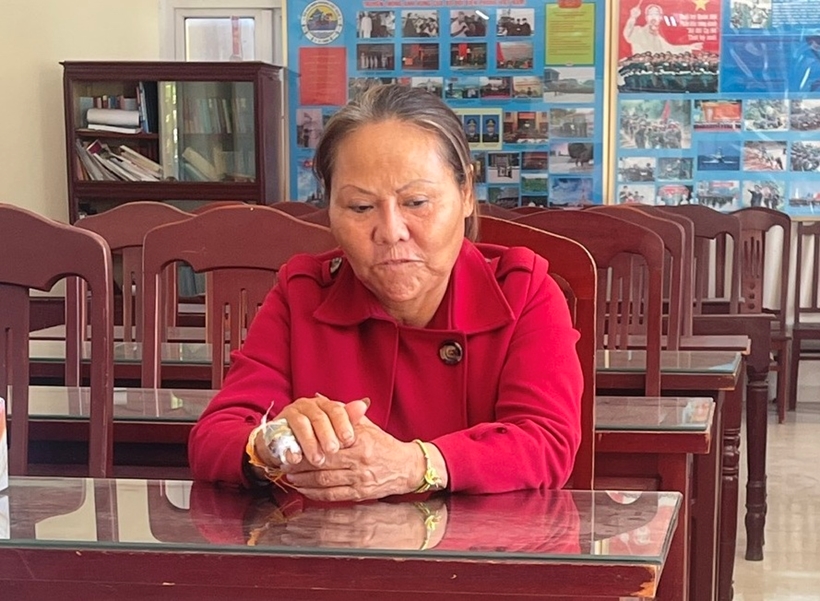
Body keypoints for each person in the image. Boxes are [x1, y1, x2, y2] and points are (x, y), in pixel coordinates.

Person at [189, 85, 583, 501]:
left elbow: (547, 442)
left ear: (466, 193)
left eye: (417, 202)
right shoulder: (304, 293)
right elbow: (214, 437)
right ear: (330, 209)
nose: (391, 231)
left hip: (481, 541)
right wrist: (273, 443)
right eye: (361, 207)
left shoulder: (522, 291)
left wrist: (416, 465)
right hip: (329, 538)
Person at [623, 3, 703, 55]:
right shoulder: (638, 32)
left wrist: (688, 48)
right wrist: (632, 17)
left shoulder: (660, 36)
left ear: (660, 18)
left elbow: (670, 49)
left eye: (656, 14)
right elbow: (628, 35)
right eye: (650, 14)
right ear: (646, 17)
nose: (653, 17)